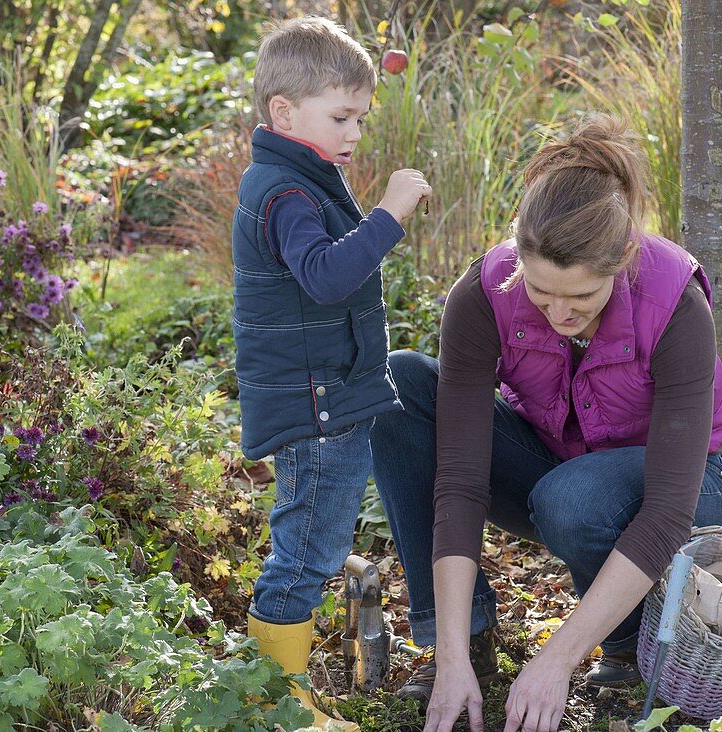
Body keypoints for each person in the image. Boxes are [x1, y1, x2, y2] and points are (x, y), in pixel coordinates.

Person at [371, 114, 722, 732]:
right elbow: (459, 481)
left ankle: (625, 643)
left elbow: (670, 512)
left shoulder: (676, 303)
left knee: (574, 498)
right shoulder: (484, 294)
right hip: (555, 469)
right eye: (541, 295)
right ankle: (464, 649)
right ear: (518, 253)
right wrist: (451, 651)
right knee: (399, 385)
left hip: (679, 489)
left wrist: (557, 659)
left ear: (622, 259)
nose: (559, 313)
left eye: (581, 299)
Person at [232, 16, 432, 730]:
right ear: (283, 113)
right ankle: (276, 705)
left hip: (329, 398)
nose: (354, 133)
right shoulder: (286, 193)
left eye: (360, 118)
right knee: (307, 553)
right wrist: (389, 214)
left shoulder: (297, 177)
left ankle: (279, 693)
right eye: (341, 117)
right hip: (317, 409)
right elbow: (325, 276)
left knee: (308, 544)